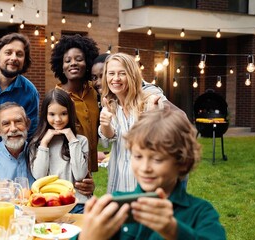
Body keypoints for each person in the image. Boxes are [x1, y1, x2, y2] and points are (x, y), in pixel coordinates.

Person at [78, 108, 226, 240]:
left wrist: (173, 230)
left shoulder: (200, 213)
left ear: (183, 163)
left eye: (157, 159)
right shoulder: (117, 206)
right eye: (138, 156)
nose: (145, 167)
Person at [99, 52, 175, 193]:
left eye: (122, 73)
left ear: (132, 75)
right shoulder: (110, 105)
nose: (115, 78)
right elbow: (109, 139)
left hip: (146, 182)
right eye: (111, 73)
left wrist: (151, 115)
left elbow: (161, 142)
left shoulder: (150, 101)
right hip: (118, 180)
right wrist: (105, 123)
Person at [28, 89, 89, 213]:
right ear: (45, 114)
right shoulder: (37, 143)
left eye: (63, 113)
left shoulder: (80, 141)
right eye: (52, 114)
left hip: (78, 204)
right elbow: (39, 176)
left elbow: (80, 175)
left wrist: (71, 139)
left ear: (70, 114)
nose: (58, 119)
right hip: (50, 204)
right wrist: (44, 144)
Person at [50, 34, 100, 173]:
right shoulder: (57, 98)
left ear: (88, 63)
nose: (73, 63)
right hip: (66, 164)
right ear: (61, 66)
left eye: (79, 59)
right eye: (67, 60)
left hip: (88, 162)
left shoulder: (94, 91)